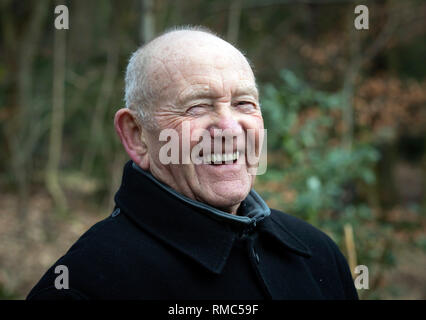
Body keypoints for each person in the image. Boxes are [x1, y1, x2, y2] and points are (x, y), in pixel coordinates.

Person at [27, 26, 358, 300]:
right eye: (197, 107)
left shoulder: (317, 255)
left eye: (244, 103)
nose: (229, 128)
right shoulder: (83, 287)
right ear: (137, 135)